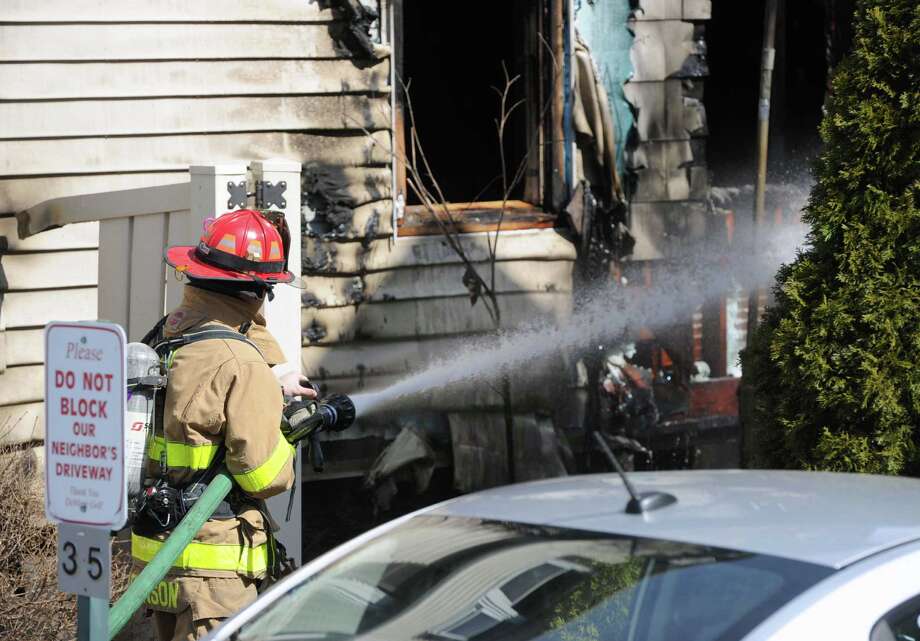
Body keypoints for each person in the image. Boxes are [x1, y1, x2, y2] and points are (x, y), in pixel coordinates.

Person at [131, 209, 313, 641]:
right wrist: (285, 430)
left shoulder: (167, 332)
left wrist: (275, 380)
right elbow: (261, 474)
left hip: (157, 557)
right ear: (255, 289)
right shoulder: (240, 362)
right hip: (213, 572)